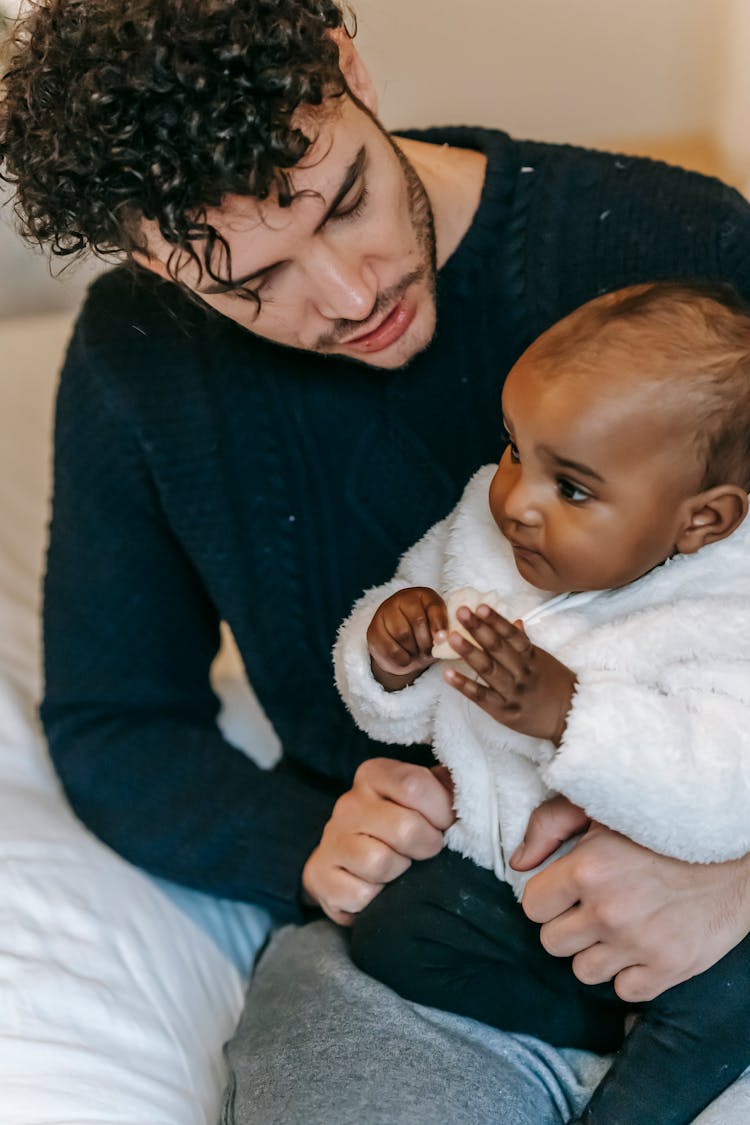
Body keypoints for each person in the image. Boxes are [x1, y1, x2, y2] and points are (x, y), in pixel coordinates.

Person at [2, 1, 750, 1121]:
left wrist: (736, 880)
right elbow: (118, 724)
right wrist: (316, 846)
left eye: (344, 199)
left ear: (349, 67)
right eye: (252, 282)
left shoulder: (672, 243)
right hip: (425, 948)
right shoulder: (135, 368)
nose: (351, 298)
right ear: (149, 256)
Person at [335, 280, 750, 1125]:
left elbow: (722, 791)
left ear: (701, 521)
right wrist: (389, 651)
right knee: (393, 929)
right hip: (521, 887)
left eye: (573, 488)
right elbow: (412, 693)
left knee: (718, 1004)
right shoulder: (486, 532)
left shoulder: (725, 608)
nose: (517, 498)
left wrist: (570, 714)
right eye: (516, 447)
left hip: (691, 926)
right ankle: (599, 1024)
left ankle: (645, 1066)